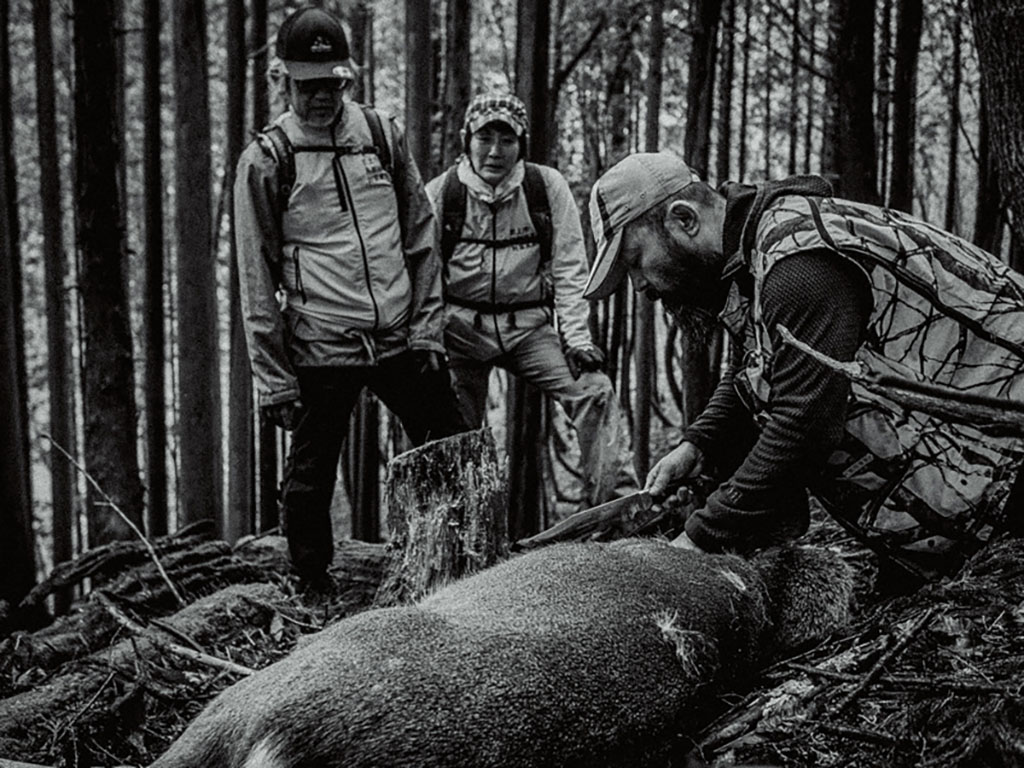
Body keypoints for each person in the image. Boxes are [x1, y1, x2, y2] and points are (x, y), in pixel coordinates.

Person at [583, 151, 1024, 578]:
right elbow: (757, 365)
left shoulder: (798, 264)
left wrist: (699, 539)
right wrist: (699, 445)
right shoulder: (754, 259)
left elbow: (806, 422)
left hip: (1013, 456)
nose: (639, 285)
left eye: (635, 261)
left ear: (684, 219)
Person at [234, 6, 464, 584]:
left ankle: (463, 565)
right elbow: (256, 276)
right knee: (308, 481)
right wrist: (274, 379)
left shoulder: (382, 135)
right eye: (308, 85)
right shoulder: (267, 159)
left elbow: (421, 234)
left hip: (400, 333)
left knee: (453, 447)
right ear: (282, 81)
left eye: (332, 83)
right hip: (322, 341)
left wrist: (427, 329)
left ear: (348, 77)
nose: (321, 96)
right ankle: (312, 589)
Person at [425, 93, 637, 507]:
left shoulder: (545, 187)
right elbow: (424, 276)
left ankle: (615, 508)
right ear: (467, 140)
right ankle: (454, 520)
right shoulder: (442, 194)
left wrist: (577, 340)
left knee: (593, 390)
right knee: (451, 430)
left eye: (507, 140)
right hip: (461, 332)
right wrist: (428, 339)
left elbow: (570, 266)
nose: (495, 151)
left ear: (521, 143)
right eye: (485, 138)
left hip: (529, 330)